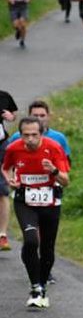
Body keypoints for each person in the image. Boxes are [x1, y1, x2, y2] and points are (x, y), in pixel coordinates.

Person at [1, 117, 70, 309]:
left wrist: (53, 170)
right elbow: (5, 168)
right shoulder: (13, 148)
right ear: (20, 134)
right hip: (25, 201)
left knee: (47, 247)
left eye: (34, 135)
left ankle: (42, 286)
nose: (30, 139)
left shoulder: (54, 148)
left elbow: (66, 181)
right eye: (26, 135)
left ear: (41, 134)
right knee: (31, 241)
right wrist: (11, 180)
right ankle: (35, 288)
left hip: (50, 201)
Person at [0, 90, 18, 252]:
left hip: (1, 146)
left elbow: (14, 115)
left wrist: (11, 117)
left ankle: (2, 235)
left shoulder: (3, 96)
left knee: (2, 190)